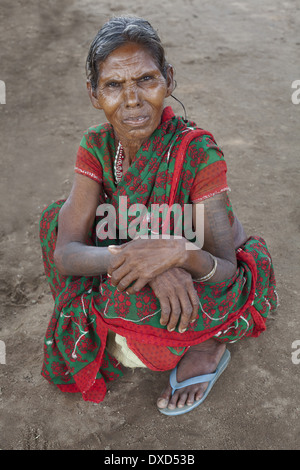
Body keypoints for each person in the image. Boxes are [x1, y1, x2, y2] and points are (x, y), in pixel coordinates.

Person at [39, 16, 278, 415]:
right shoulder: (96, 145)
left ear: (168, 79)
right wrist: (142, 257)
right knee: (55, 219)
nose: (132, 99)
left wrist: (178, 252)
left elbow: (226, 269)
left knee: (155, 347)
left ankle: (206, 345)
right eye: (114, 85)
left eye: (146, 80)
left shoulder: (199, 153)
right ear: (94, 94)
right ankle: (159, 326)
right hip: (136, 248)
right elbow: (66, 251)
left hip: (204, 271)